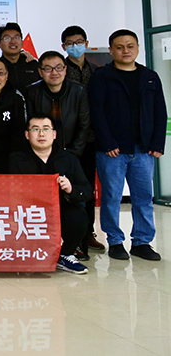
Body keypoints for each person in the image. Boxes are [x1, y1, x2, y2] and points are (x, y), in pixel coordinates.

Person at [88, 29, 166, 261]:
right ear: (111, 50)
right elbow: (96, 112)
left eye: (130, 46)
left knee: (144, 198)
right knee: (111, 197)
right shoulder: (102, 77)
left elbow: (160, 111)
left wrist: (157, 143)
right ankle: (115, 241)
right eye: (119, 47)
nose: (125, 51)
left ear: (138, 48)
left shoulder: (150, 76)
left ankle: (142, 242)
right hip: (112, 150)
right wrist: (107, 142)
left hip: (143, 149)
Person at [9, 115, 92, 274]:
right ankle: (31, 255)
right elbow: (9, 192)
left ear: (54, 134)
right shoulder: (17, 159)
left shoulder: (69, 159)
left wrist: (71, 189)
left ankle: (65, 255)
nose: (41, 134)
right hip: (29, 212)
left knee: (78, 217)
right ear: (27, 135)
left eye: (46, 129)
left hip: (60, 210)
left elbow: (87, 191)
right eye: (35, 129)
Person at [61, 24, 106, 256]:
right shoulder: (60, 70)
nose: (75, 47)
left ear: (86, 44)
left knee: (86, 187)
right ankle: (69, 236)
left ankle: (88, 232)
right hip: (65, 142)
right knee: (64, 188)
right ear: (64, 47)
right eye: (70, 43)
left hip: (89, 141)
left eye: (79, 42)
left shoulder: (98, 72)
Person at [23, 51, 91, 158]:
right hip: (41, 153)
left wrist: (73, 153)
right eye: (48, 69)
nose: (54, 73)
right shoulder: (32, 92)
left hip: (74, 153)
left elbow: (84, 125)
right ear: (40, 72)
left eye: (59, 68)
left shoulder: (78, 91)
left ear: (65, 70)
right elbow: (30, 125)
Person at [0, 23, 41, 94]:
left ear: (22, 42)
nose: (13, 42)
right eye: (7, 38)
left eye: (17, 38)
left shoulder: (33, 64)